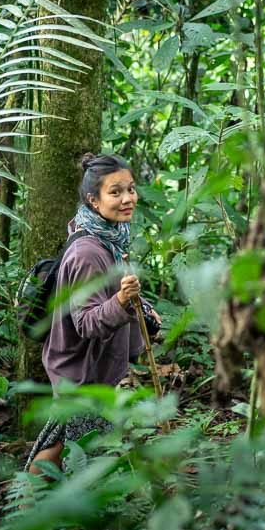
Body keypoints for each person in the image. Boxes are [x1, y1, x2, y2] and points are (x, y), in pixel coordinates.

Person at [25, 152, 161, 477]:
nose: (127, 198)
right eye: (115, 192)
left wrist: (137, 306)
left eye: (130, 189)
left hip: (90, 367)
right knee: (77, 450)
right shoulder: (88, 253)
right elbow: (86, 322)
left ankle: (24, 510)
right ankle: (30, 512)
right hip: (80, 370)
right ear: (93, 200)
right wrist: (122, 300)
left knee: (58, 440)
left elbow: (109, 295)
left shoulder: (110, 238)